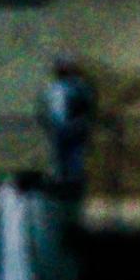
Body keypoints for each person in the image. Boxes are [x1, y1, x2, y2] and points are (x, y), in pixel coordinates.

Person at [39, 56, 95, 197]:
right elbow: (45, 109)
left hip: (73, 129)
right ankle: (62, 190)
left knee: (73, 161)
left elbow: (87, 107)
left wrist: (81, 122)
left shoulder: (78, 87)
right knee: (60, 162)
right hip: (60, 130)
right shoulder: (54, 87)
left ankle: (72, 190)